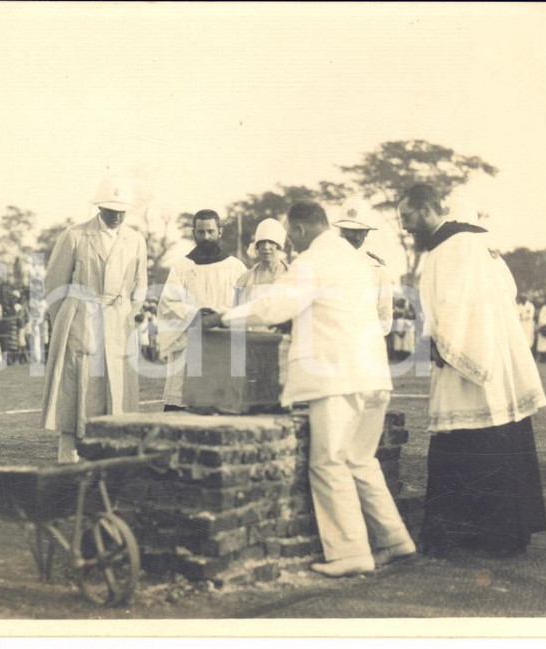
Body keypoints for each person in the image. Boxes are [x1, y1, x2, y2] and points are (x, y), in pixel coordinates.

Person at [213, 200, 414, 577]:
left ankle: (350, 552)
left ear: (301, 229)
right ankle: (395, 539)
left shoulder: (312, 261)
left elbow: (274, 308)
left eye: (291, 235)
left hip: (338, 378)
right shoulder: (355, 259)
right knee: (360, 461)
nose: (290, 243)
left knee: (328, 463)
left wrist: (224, 317)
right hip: (372, 375)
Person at [397, 183, 546, 558]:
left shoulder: (453, 248)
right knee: (497, 443)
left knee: (467, 445)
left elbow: (455, 307)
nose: (405, 226)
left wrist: (442, 344)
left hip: (468, 365)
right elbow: (507, 291)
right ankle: (504, 535)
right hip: (494, 362)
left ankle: (467, 536)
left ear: (428, 209)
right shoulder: (480, 245)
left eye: (408, 217)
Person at [41, 176, 148, 462]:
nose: (117, 216)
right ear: (99, 207)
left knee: (117, 391)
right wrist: (66, 321)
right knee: (77, 391)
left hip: (119, 323)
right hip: (81, 320)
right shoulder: (75, 235)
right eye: (111, 210)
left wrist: (129, 314)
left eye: (122, 210)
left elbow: (140, 284)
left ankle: (111, 464)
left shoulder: (136, 240)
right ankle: (68, 463)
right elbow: (54, 284)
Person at [157, 209, 247, 411]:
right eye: (201, 232)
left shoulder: (236, 267)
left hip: (222, 343)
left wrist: (219, 316)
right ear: (193, 233)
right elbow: (169, 304)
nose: (206, 237)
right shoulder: (181, 267)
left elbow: (244, 304)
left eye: (210, 231)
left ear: (220, 231)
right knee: (182, 405)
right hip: (189, 343)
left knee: (221, 406)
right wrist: (196, 314)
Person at [333, 201, 394, 336]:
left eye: (357, 231)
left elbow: (385, 318)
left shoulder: (378, 270)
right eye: (347, 230)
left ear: (366, 233)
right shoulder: (326, 263)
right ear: (340, 231)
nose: (351, 236)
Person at [235, 217, 289, 304]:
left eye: (271, 242)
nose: (266, 247)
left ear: (278, 246)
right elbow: (237, 309)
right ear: (257, 246)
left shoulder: (290, 274)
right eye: (262, 242)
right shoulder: (245, 279)